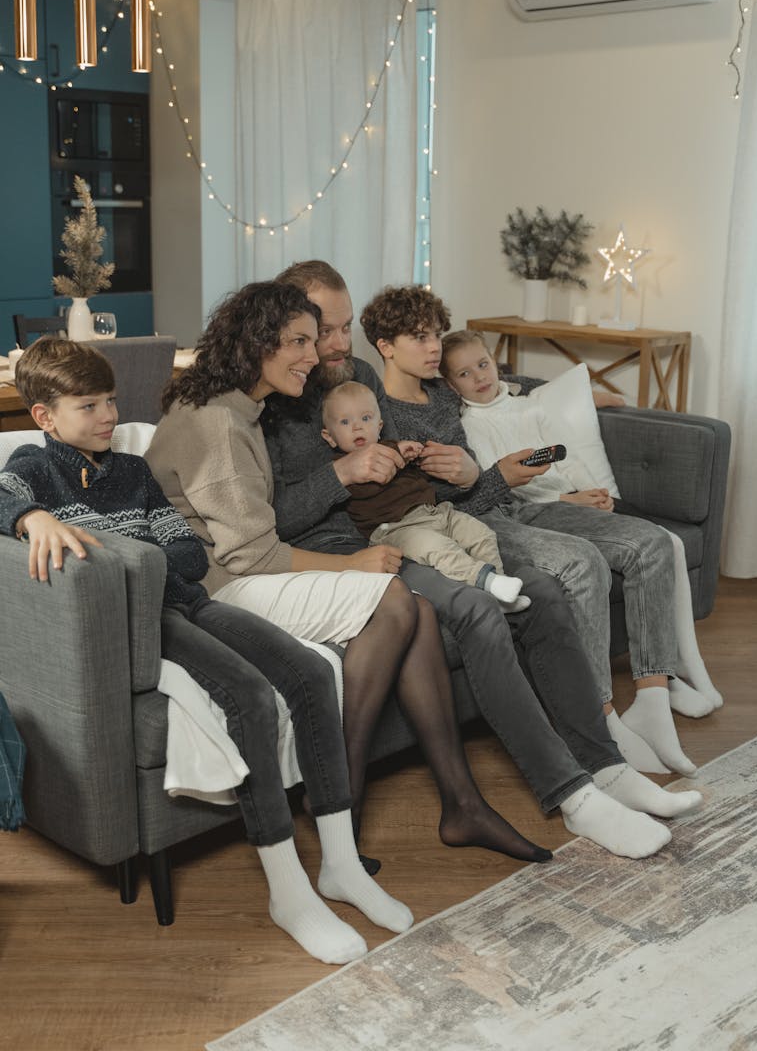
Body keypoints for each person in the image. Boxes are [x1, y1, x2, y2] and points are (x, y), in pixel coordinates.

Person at [263, 260, 701, 856]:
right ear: (287, 329)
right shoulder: (272, 402)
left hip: (407, 526)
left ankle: (606, 765)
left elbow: (413, 482)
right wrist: (341, 473)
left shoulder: (358, 375)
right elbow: (270, 522)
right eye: (324, 332)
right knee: (478, 610)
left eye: (345, 328)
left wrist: (470, 473)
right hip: (350, 553)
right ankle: (573, 796)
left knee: (542, 590)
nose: (340, 344)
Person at [0, 335, 414, 965]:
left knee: (308, 669)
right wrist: (33, 519)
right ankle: (289, 892)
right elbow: (3, 496)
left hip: (188, 601)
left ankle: (341, 865)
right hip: (144, 623)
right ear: (45, 417)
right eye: (89, 406)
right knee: (248, 692)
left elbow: (190, 557)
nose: (109, 415)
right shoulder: (35, 469)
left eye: (110, 400)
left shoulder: (133, 471)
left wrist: (129, 554)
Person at [146, 280, 559, 868]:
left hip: (242, 568)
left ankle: (459, 803)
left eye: (314, 339)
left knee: (415, 608)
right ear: (256, 342)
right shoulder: (216, 423)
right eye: (299, 341)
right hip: (216, 589)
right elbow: (249, 555)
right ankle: (345, 804)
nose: (314, 354)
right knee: (395, 599)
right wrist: (351, 564)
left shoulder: (242, 409)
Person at [359, 285, 703, 778]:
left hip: (492, 507)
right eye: (420, 337)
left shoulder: (442, 392)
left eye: (436, 335)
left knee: (650, 541)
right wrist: (483, 477)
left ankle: (652, 699)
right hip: (458, 525)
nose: (434, 347)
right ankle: (601, 718)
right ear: (385, 346)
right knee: (581, 562)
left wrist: (581, 399)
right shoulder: (374, 412)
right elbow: (418, 507)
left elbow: (507, 387)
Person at [440, 329, 723, 713]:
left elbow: (567, 457)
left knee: (664, 541)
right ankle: (638, 688)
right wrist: (568, 499)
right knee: (646, 546)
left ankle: (668, 671)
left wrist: (595, 492)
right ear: (450, 384)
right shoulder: (470, 424)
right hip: (542, 506)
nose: (479, 377)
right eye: (464, 374)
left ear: (495, 363)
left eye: (483, 364)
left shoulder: (529, 407)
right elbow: (506, 488)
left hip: (575, 498)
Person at [321, 380, 529, 608]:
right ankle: (487, 580)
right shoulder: (341, 467)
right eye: (345, 422)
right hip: (395, 529)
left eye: (365, 418)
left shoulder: (392, 446)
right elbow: (367, 487)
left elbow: (419, 481)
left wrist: (416, 458)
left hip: (435, 512)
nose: (357, 427)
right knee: (440, 549)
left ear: (379, 426)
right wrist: (395, 453)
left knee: (482, 534)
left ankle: (500, 593)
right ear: (329, 436)